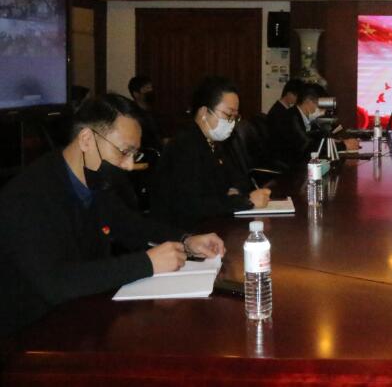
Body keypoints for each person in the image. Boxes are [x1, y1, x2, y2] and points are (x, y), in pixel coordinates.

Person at [0, 94, 225, 337]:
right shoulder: (28, 196)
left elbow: (132, 226)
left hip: (80, 318)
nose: (129, 165)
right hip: (28, 334)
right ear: (86, 139)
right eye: (124, 152)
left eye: (134, 154)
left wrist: (186, 241)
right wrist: (146, 263)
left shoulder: (94, 182)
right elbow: (56, 283)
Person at [151, 76, 270, 230]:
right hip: (182, 232)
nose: (232, 122)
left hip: (210, 224)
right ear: (204, 112)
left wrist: (235, 193)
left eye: (235, 117)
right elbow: (193, 203)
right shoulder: (184, 145)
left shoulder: (213, 143)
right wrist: (245, 200)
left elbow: (238, 180)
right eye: (228, 115)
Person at [266, 78, 304, 164]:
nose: (298, 100)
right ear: (289, 94)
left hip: (284, 152)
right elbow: (287, 140)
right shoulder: (278, 113)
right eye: (297, 96)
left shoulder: (284, 109)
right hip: (281, 157)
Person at [127, 75, 161, 152]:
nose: (151, 91)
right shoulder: (132, 115)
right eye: (147, 88)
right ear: (136, 94)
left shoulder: (154, 113)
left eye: (151, 88)